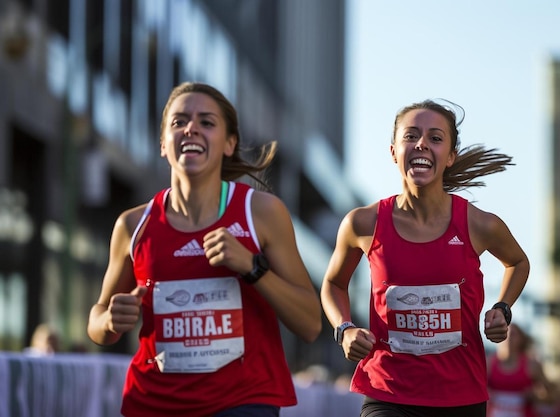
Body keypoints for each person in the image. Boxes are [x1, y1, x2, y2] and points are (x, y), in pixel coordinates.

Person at [87, 82, 322, 417]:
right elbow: (96, 323)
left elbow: (310, 323)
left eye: (207, 122)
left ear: (229, 144)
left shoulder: (262, 214)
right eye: (179, 121)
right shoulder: (132, 225)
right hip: (154, 403)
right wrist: (110, 320)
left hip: (243, 402)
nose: (191, 128)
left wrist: (252, 267)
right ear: (163, 144)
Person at [320, 99, 531, 417]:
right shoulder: (362, 223)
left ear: (450, 156)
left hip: (460, 396)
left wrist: (502, 308)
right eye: (411, 136)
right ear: (393, 152)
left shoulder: (479, 224)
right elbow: (333, 283)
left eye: (435, 137)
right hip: (387, 391)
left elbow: (518, 262)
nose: (421, 144)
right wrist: (344, 328)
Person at [487, 323, 555, 417]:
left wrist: (535, 396)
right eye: (504, 334)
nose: (508, 338)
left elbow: (552, 396)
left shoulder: (532, 365)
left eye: (513, 334)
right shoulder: (489, 364)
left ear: (521, 340)